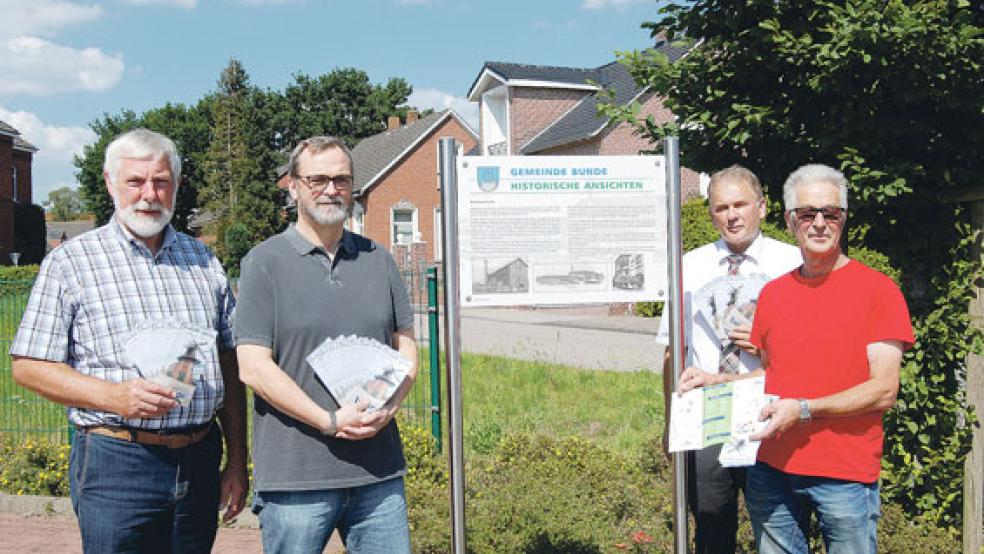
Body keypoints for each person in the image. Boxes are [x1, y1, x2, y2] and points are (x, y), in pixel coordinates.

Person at [9, 128, 247, 553]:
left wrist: (237, 459)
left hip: (198, 457)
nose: (149, 195)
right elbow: (28, 365)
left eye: (161, 182)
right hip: (116, 460)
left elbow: (229, 361)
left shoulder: (203, 259)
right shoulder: (70, 262)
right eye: (135, 182)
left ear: (175, 185)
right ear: (109, 182)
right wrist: (113, 396)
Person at [235, 136, 418, 553]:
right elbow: (252, 366)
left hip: (378, 474)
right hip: (295, 479)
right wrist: (327, 420)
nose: (331, 189)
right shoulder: (264, 263)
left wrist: (389, 406)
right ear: (293, 186)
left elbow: (406, 349)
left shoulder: (379, 259)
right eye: (317, 179)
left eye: (341, 179)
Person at [720, 164, 911, 553]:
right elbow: (773, 379)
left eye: (831, 213)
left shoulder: (879, 291)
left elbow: (883, 390)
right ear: (791, 222)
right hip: (772, 468)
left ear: (843, 219)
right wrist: (712, 381)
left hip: (843, 475)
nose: (820, 223)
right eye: (808, 213)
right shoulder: (773, 294)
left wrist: (805, 409)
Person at [657, 165, 801, 553]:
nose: (732, 215)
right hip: (707, 415)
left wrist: (768, 346)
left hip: (770, 412)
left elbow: (809, 353)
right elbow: (673, 351)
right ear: (711, 214)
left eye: (740, 204)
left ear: (763, 207)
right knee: (711, 526)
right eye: (721, 207)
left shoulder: (793, 263)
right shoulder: (688, 266)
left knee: (778, 528)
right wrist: (670, 425)